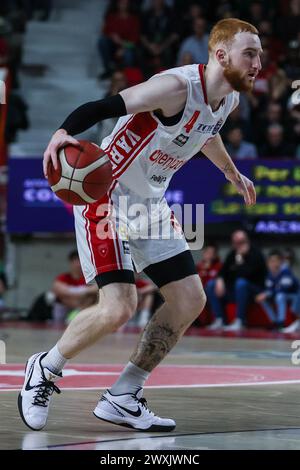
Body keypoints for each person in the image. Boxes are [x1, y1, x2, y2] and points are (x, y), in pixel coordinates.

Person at [18, 18, 260, 432]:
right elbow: (105, 106)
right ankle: (45, 367)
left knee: (189, 299)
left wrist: (230, 171)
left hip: (150, 203)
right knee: (120, 307)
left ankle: (123, 395)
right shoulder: (175, 88)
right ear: (221, 55)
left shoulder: (229, 99)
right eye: (250, 53)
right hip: (107, 197)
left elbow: (207, 131)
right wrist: (62, 132)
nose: (259, 62)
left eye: (259, 54)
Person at [206, 230, 266, 331]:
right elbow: (222, 272)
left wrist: (240, 259)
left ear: (247, 241)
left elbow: (245, 274)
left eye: (241, 242)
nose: (238, 245)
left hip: (253, 292)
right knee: (212, 284)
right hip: (234, 291)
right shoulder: (232, 254)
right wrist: (220, 280)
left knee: (241, 283)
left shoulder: (256, 254)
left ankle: (240, 320)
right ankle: (220, 319)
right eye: (235, 242)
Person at [255, 250, 300, 329]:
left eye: (275, 261)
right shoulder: (269, 274)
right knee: (263, 299)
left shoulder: (286, 271)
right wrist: (264, 294)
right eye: (271, 261)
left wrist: (267, 293)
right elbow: (269, 288)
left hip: (294, 295)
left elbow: (284, 289)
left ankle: (281, 322)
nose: (273, 264)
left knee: (280, 296)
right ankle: (274, 322)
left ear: (280, 262)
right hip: (280, 294)